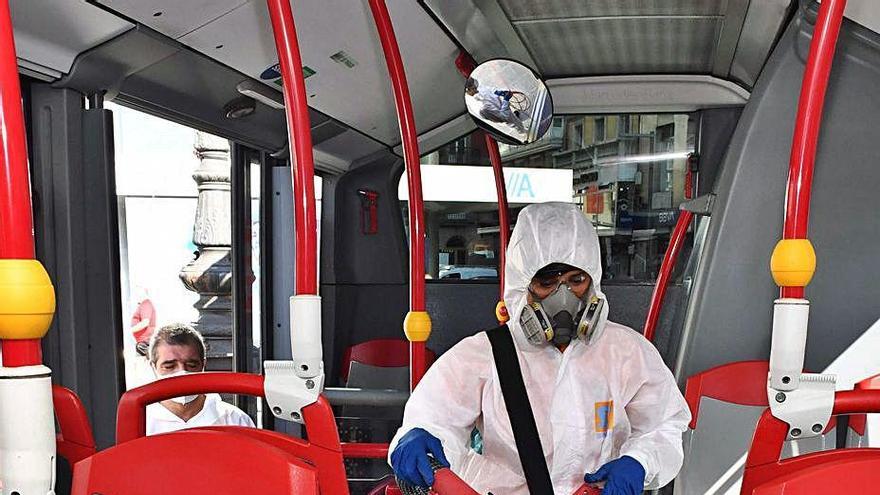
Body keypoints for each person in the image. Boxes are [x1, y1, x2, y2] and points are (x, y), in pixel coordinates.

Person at [388, 202, 690, 495]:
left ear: (593, 281)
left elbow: (665, 424)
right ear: (523, 284)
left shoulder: (625, 351)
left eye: (576, 280)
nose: (564, 296)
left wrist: (638, 461)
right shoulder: (485, 354)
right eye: (548, 282)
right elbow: (434, 417)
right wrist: (422, 436)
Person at [146, 323, 255, 435]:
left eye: (191, 365)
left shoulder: (235, 420)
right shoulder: (142, 423)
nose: (181, 372)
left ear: (203, 365)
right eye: (169, 366)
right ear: (153, 367)